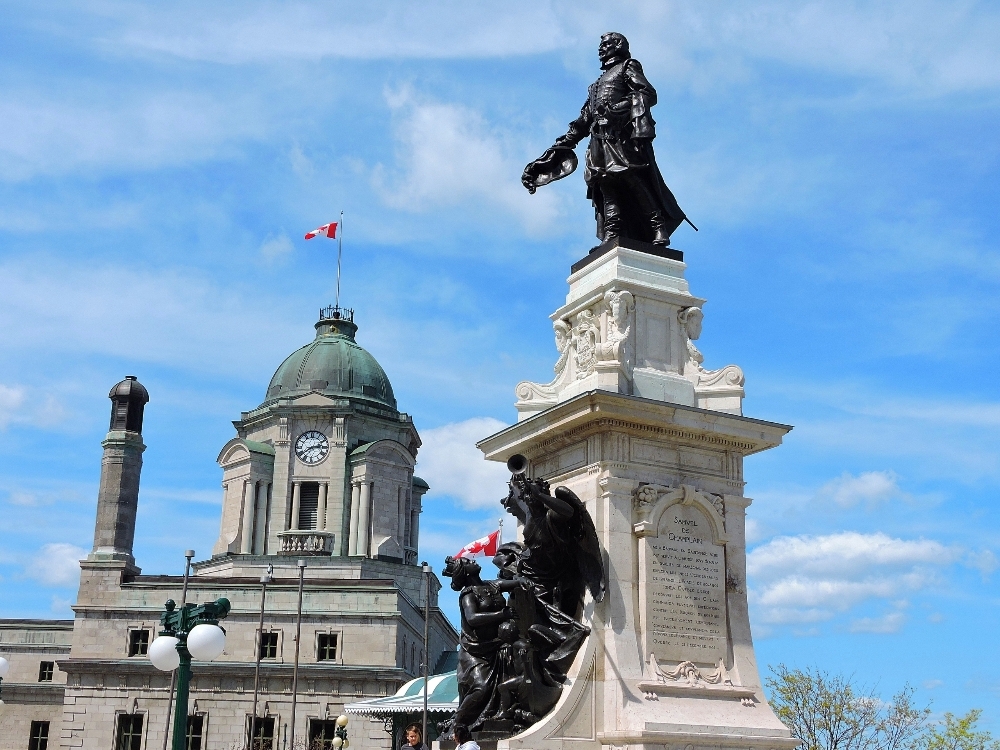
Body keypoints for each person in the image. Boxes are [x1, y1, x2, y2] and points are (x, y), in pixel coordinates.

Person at [522, 32, 694, 247]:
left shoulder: (627, 67)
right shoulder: (595, 86)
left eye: (605, 44)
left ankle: (658, 227)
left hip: (619, 138)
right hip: (598, 143)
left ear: (618, 45)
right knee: (606, 186)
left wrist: (616, 109)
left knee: (633, 180)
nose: (600, 49)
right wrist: (560, 146)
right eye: (600, 46)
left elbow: (647, 94)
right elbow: (584, 120)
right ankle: (612, 233)